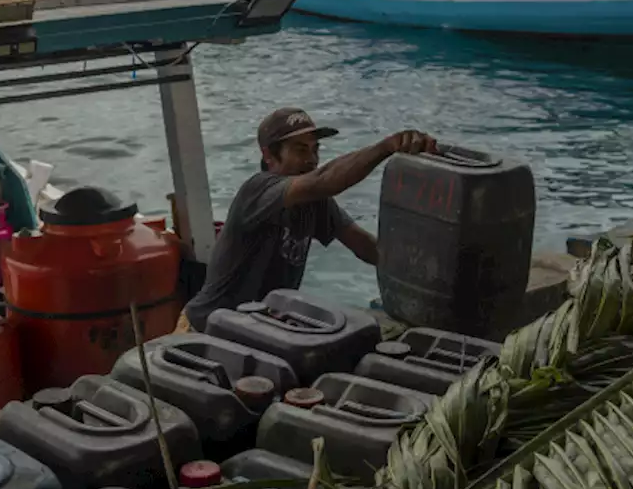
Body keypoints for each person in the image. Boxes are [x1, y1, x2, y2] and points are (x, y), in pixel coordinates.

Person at [175, 108, 438, 333]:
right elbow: (324, 180)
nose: (312, 159)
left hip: (261, 327)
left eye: (315, 149)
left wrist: (426, 277)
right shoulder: (258, 190)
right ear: (269, 156)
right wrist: (386, 147)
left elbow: (366, 248)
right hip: (206, 328)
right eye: (301, 150)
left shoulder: (316, 202)